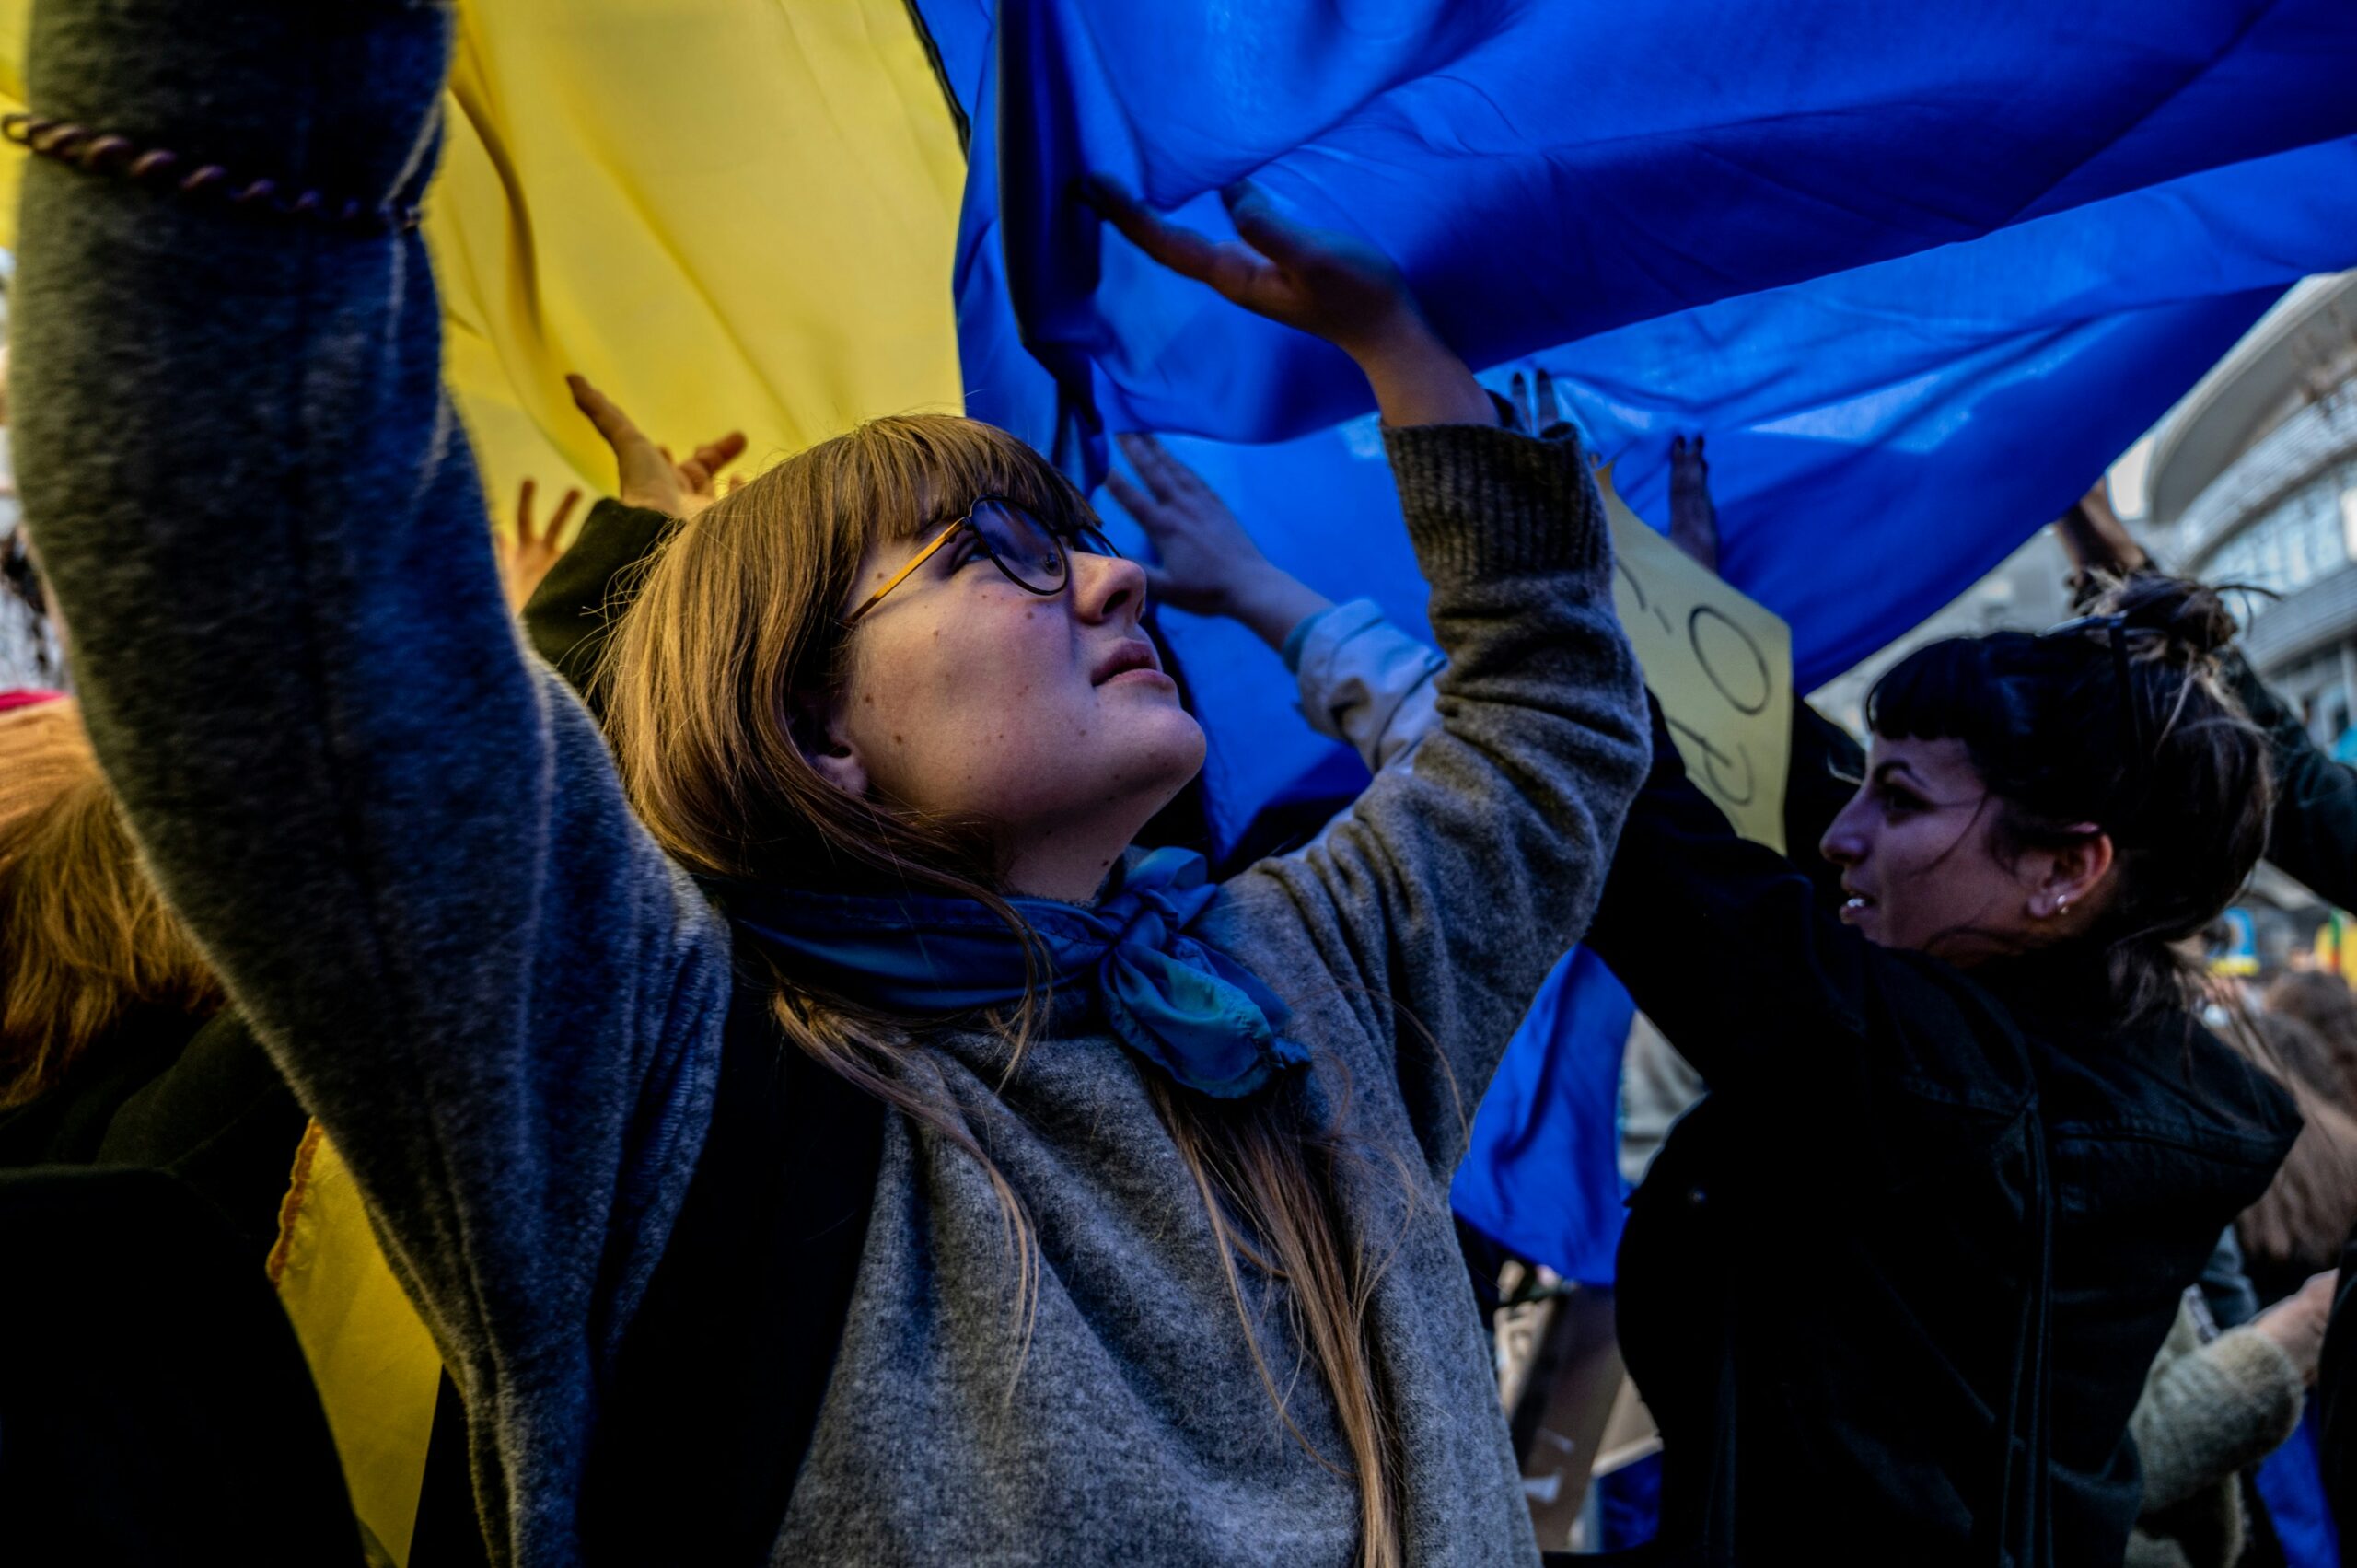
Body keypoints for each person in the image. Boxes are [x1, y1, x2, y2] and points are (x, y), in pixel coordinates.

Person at [13, 14, 1650, 1568]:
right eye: (994, 555)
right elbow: (255, 540)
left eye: (1083, 542)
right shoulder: (653, 1095)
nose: (1116, 581)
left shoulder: (1307, 984)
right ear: (812, 733)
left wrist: (1402, 350)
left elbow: (1551, 731)